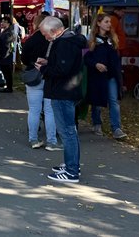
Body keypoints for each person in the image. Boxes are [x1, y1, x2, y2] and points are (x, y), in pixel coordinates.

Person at [37, 16, 87, 183]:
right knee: (69, 131)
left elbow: (62, 69)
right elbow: (64, 64)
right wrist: (48, 62)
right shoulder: (70, 40)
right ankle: (72, 165)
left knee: (67, 131)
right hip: (68, 90)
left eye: (45, 34)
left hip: (63, 92)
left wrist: (44, 68)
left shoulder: (64, 43)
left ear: (54, 31)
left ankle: (71, 171)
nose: (45, 37)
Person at [84, 13, 127, 140]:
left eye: (109, 22)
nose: (109, 24)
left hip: (111, 75)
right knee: (97, 101)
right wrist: (95, 64)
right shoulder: (91, 40)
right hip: (96, 76)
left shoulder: (112, 39)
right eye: (106, 21)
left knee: (113, 100)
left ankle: (116, 128)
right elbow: (85, 58)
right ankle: (97, 123)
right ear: (98, 23)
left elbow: (116, 58)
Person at [22, 15, 58, 151]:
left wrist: (33, 62)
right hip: (49, 76)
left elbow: (24, 58)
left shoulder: (31, 40)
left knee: (34, 110)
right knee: (49, 110)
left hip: (33, 77)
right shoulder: (53, 40)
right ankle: (51, 141)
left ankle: (33, 139)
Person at [0, 16, 15, 93]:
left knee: (7, 73)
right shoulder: (5, 31)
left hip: (6, 56)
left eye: (4, 22)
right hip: (3, 56)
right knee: (5, 72)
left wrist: (2, 55)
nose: (2, 23)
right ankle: (8, 86)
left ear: (8, 23)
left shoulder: (8, 33)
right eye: (2, 21)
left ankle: (9, 87)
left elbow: (6, 45)